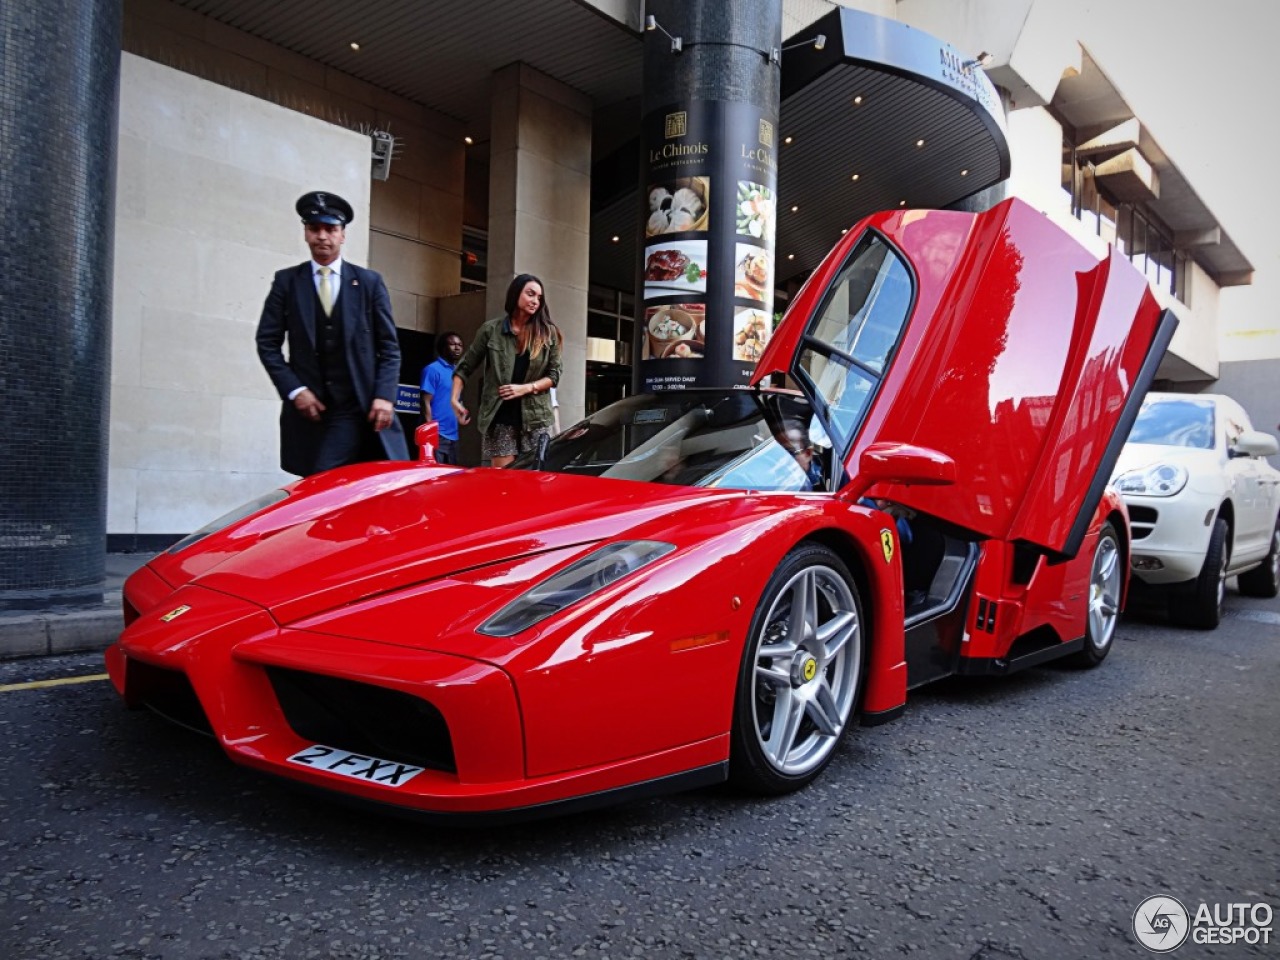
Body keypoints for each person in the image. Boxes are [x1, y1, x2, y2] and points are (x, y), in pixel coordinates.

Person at [255, 191, 408, 476]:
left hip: (356, 407)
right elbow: (267, 343)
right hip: (308, 413)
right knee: (319, 480)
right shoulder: (287, 282)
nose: (322, 236)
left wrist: (385, 396)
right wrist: (295, 390)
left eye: (330, 229)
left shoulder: (368, 283)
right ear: (305, 233)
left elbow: (389, 347)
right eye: (315, 229)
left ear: (342, 235)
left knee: (324, 478)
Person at [451, 274, 562, 468]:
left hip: (536, 418)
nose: (535, 301)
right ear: (515, 294)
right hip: (500, 415)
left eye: (539, 297)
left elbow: (554, 375)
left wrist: (526, 388)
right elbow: (465, 366)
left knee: (534, 482)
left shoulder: (547, 333)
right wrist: (454, 399)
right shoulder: (491, 330)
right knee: (503, 480)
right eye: (530, 294)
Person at [419, 331, 464, 463]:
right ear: (443, 348)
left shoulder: (458, 373)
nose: (457, 348)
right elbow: (425, 401)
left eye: (460, 345)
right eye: (452, 344)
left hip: (453, 436)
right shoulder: (432, 369)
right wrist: (430, 432)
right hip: (437, 434)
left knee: (452, 477)